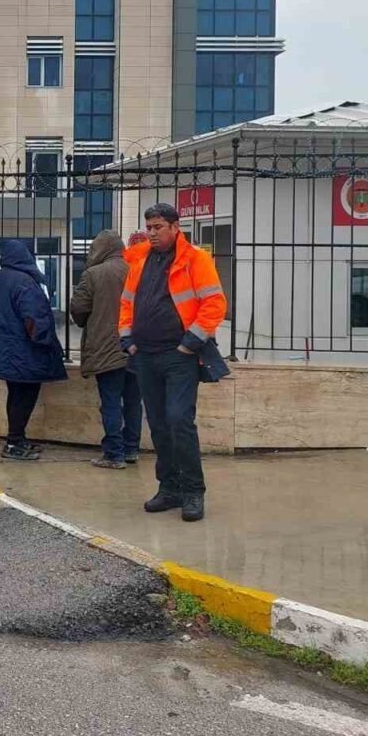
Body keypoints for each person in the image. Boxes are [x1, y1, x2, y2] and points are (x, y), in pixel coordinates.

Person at [120, 203, 227, 523]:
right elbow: (126, 304)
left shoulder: (195, 259)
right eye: (149, 228)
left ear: (175, 227)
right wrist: (128, 341)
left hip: (179, 356)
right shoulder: (140, 260)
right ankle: (169, 488)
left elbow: (214, 303)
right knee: (158, 424)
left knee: (179, 420)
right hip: (145, 355)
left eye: (158, 227)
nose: (152, 233)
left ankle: (193, 491)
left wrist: (189, 343)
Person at [0, 240, 66, 460]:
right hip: (24, 351)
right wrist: (45, 343)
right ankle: (14, 442)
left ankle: (18, 438)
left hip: (4, 349)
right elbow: (34, 319)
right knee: (25, 396)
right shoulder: (25, 282)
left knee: (15, 394)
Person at [70, 229, 142, 469]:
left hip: (106, 347)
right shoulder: (137, 269)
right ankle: (131, 449)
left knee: (111, 402)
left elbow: (78, 308)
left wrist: (88, 321)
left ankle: (113, 454)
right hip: (136, 347)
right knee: (133, 402)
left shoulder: (93, 274)